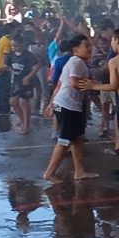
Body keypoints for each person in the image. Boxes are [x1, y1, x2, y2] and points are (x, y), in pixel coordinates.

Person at [77, 28, 119, 187]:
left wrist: (92, 85)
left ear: (118, 42)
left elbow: (114, 85)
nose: (112, 44)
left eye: (113, 40)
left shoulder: (114, 61)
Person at [42, 35, 98, 181]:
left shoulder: (76, 62)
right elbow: (73, 82)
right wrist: (92, 84)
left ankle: (79, 171)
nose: (89, 48)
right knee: (65, 140)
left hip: (68, 104)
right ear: (76, 49)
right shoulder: (77, 62)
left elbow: (60, 84)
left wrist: (51, 103)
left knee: (78, 138)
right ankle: (49, 173)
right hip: (68, 105)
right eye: (86, 46)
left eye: (90, 45)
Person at [0, 34, 38, 135]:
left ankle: (26, 126)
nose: (14, 48)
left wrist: (28, 77)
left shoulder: (28, 55)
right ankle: (23, 121)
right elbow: (6, 66)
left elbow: (37, 66)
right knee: (13, 103)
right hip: (16, 82)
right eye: (12, 46)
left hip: (26, 82)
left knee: (23, 103)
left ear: (22, 44)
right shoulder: (11, 55)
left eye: (16, 46)